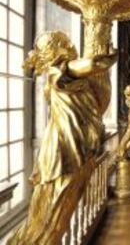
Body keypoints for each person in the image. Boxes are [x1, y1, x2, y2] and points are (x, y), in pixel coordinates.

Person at [8, 31, 117, 245]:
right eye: (65, 41)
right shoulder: (60, 70)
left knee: (60, 211)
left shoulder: (61, 74)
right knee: (57, 211)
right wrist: (111, 54)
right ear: (57, 49)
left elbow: (96, 100)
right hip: (64, 148)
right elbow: (95, 63)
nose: (70, 43)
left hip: (68, 145)